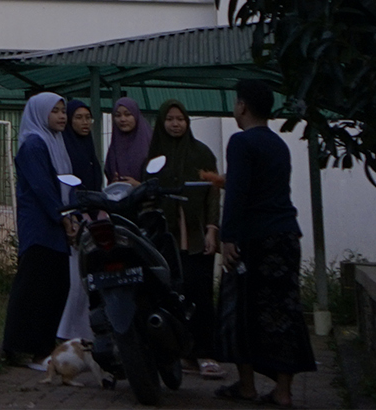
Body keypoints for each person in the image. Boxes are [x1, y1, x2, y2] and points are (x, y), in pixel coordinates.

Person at [216, 78, 315, 405]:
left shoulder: (241, 142)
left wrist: (227, 236)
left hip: (253, 238)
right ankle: (283, 391)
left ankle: (246, 386)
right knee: (283, 309)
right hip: (285, 235)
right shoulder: (278, 144)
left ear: (242, 106)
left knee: (238, 308)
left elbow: (238, 193)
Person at [149, 98, 224, 378]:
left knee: (200, 292)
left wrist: (212, 229)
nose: (175, 124)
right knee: (169, 296)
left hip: (196, 236)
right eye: (170, 119)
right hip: (165, 239)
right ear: (161, 122)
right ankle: (179, 354)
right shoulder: (154, 156)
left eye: (180, 119)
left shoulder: (201, 153)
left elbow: (213, 193)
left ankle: (205, 353)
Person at [0, 93, 76, 366]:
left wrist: (71, 216)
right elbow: (43, 187)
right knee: (35, 287)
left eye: (62, 110)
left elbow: (67, 185)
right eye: (54, 111)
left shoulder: (56, 143)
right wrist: (64, 217)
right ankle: (21, 347)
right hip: (41, 227)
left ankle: (42, 347)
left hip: (55, 226)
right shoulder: (34, 145)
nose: (61, 116)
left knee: (56, 286)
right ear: (40, 114)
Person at [103, 95, 157, 186]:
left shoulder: (150, 143)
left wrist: (138, 185)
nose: (122, 119)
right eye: (118, 115)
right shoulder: (114, 146)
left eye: (128, 114)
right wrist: (114, 184)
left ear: (136, 115)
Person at [65, 102, 105, 190]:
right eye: (79, 118)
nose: (85, 122)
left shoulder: (88, 144)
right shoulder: (62, 146)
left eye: (88, 117)